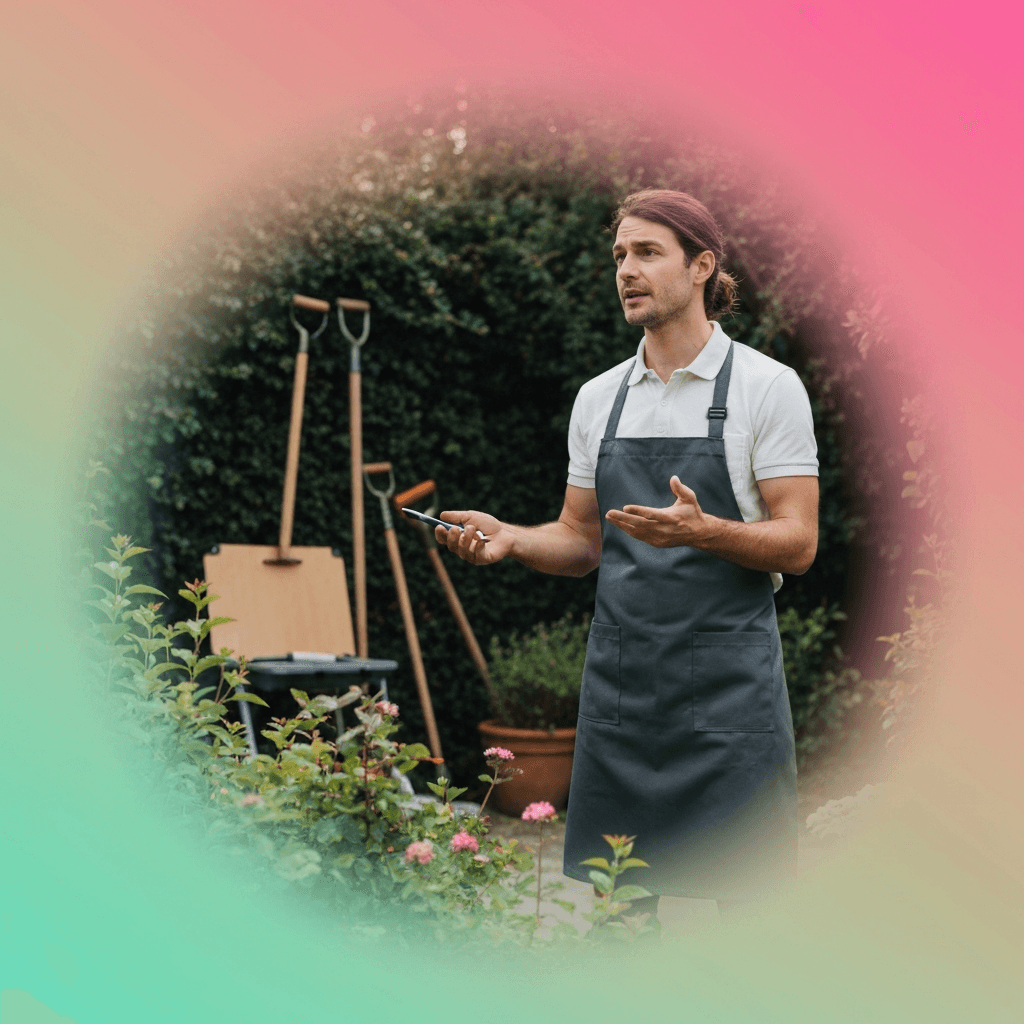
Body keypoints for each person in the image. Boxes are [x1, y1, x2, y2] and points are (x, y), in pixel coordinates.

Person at [436, 188, 819, 926]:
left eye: (647, 252)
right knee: (620, 911)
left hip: (730, 698)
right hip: (624, 695)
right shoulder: (599, 400)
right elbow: (581, 541)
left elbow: (797, 543)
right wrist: (515, 537)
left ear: (702, 265)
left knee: (745, 912)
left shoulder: (769, 389)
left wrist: (706, 532)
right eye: (619, 255)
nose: (626, 270)